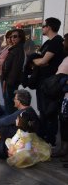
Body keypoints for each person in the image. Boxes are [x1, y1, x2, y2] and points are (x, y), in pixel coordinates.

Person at [32, 17, 65, 146]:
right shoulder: (48, 43)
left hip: (51, 84)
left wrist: (34, 61)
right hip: (43, 82)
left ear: (49, 27)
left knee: (49, 112)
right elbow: (41, 59)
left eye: (43, 25)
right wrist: (38, 61)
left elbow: (43, 61)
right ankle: (43, 136)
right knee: (43, 110)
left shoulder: (56, 41)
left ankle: (49, 140)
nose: (42, 28)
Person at [1, 29, 25, 114]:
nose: (12, 38)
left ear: (20, 38)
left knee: (10, 104)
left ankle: (9, 124)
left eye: (15, 36)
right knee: (9, 103)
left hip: (10, 81)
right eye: (11, 37)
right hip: (10, 80)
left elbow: (13, 67)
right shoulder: (15, 49)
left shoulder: (17, 49)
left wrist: (6, 80)